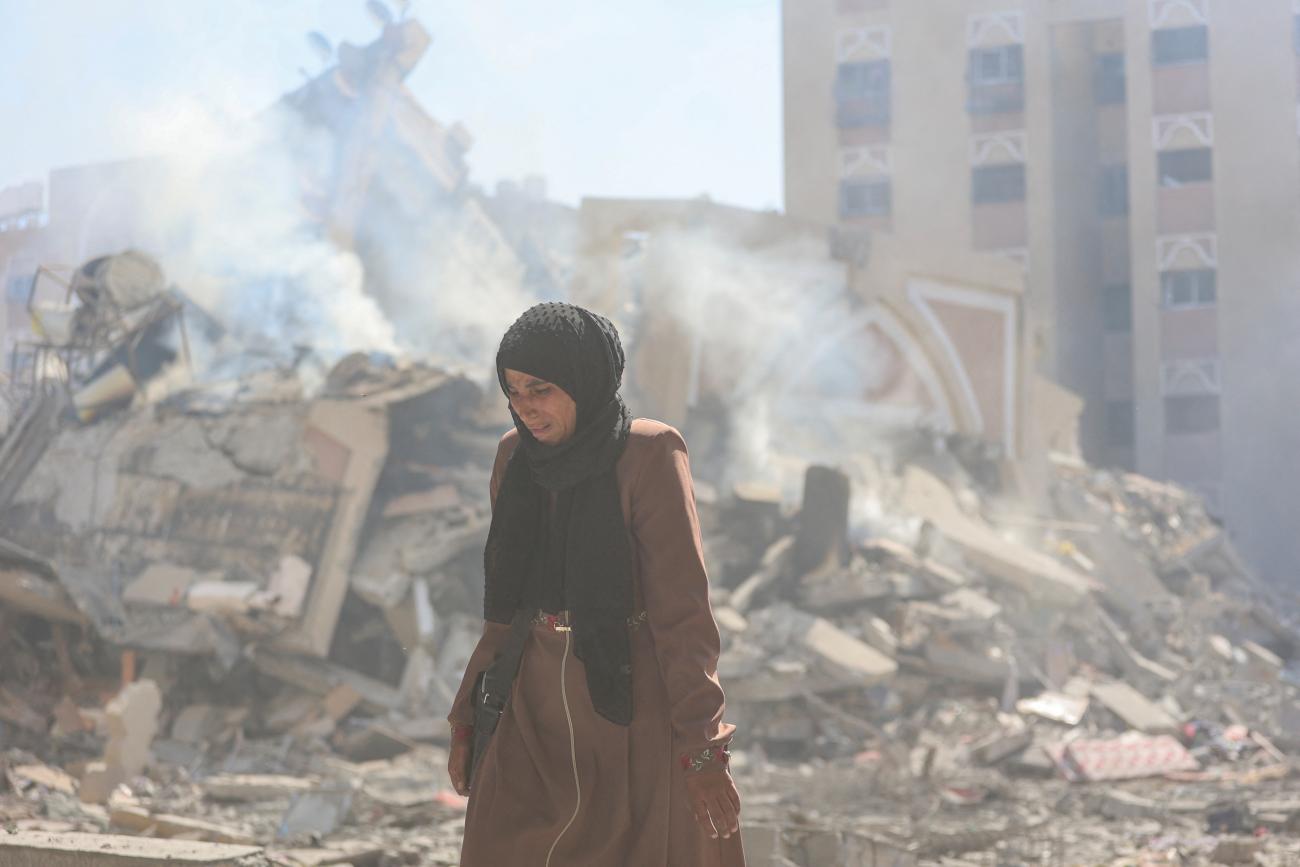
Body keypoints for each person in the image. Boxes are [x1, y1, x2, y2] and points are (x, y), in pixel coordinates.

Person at [447, 302, 746, 867]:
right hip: (529, 699)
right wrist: (467, 712)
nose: (524, 408)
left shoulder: (649, 454)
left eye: (541, 389)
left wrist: (703, 751)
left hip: (627, 702)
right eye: (513, 390)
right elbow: (503, 610)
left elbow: (683, 616)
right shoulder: (515, 459)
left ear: (586, 379)